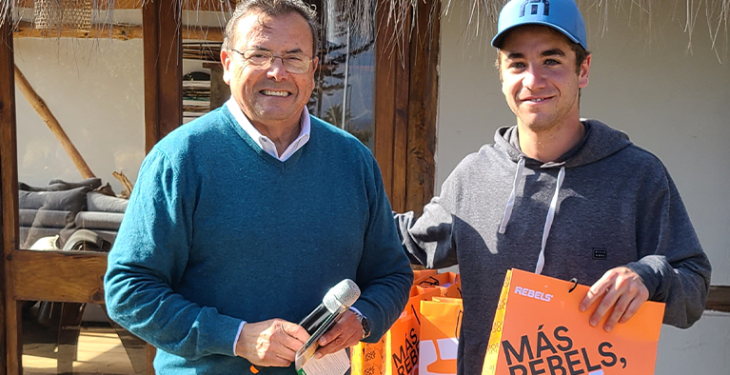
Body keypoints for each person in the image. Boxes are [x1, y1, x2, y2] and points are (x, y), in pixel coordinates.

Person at [394, 1, 712, 374]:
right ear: (500, 74)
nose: (533, 80)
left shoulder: (637, 176)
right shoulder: (473, 176)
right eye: (516, 63)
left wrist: (649, 276)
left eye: (551, 60)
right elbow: (405, 241)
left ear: (583, 70)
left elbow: (693, 287)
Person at [104, 1, 413, 374]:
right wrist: (235, 336)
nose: (277, 72)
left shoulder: (353, 161)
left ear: (314, 70)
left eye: (294, 58)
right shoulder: (181, 159)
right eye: (259, 54)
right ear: (227, 64)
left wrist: (362, 318)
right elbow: (128, 290)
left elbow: (391, 275)